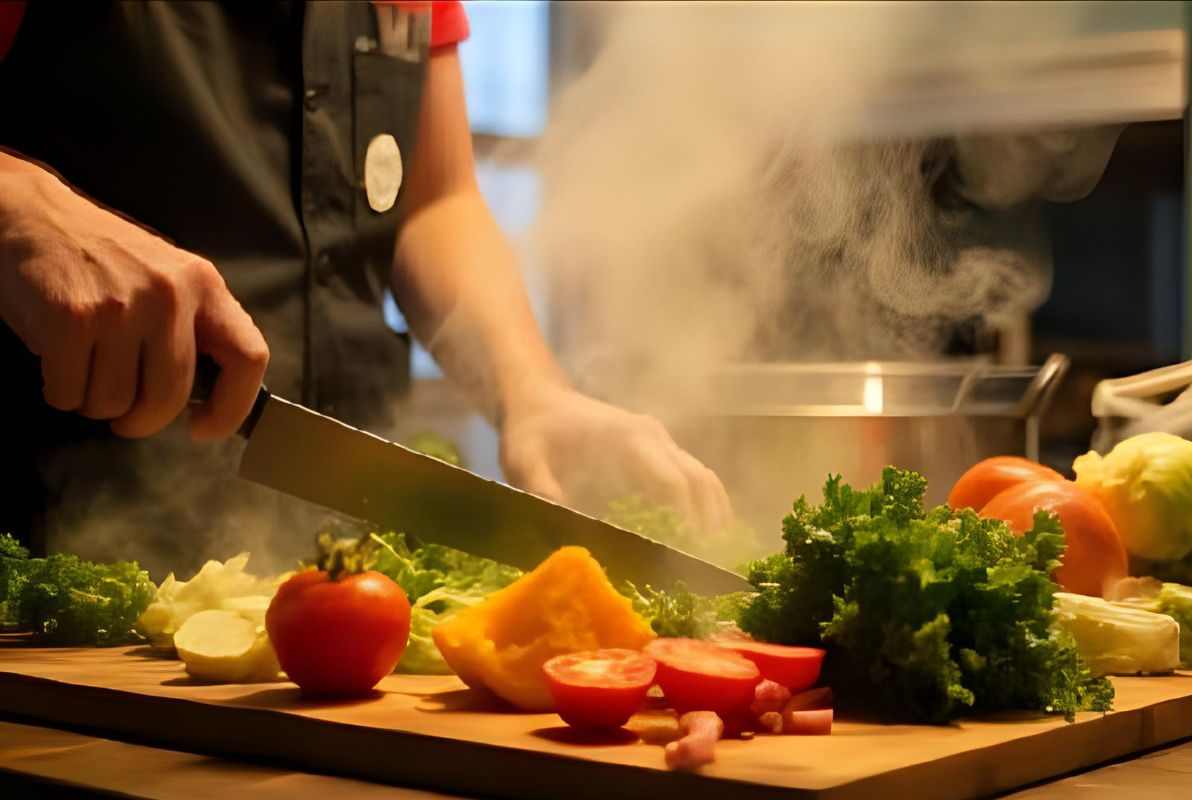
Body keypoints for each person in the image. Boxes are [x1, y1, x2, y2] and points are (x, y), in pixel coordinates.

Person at [0, 1, 730, 568]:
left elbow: (436, 200)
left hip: (337, 563)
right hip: (54, 545)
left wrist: (531, 390)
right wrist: (22, 207)